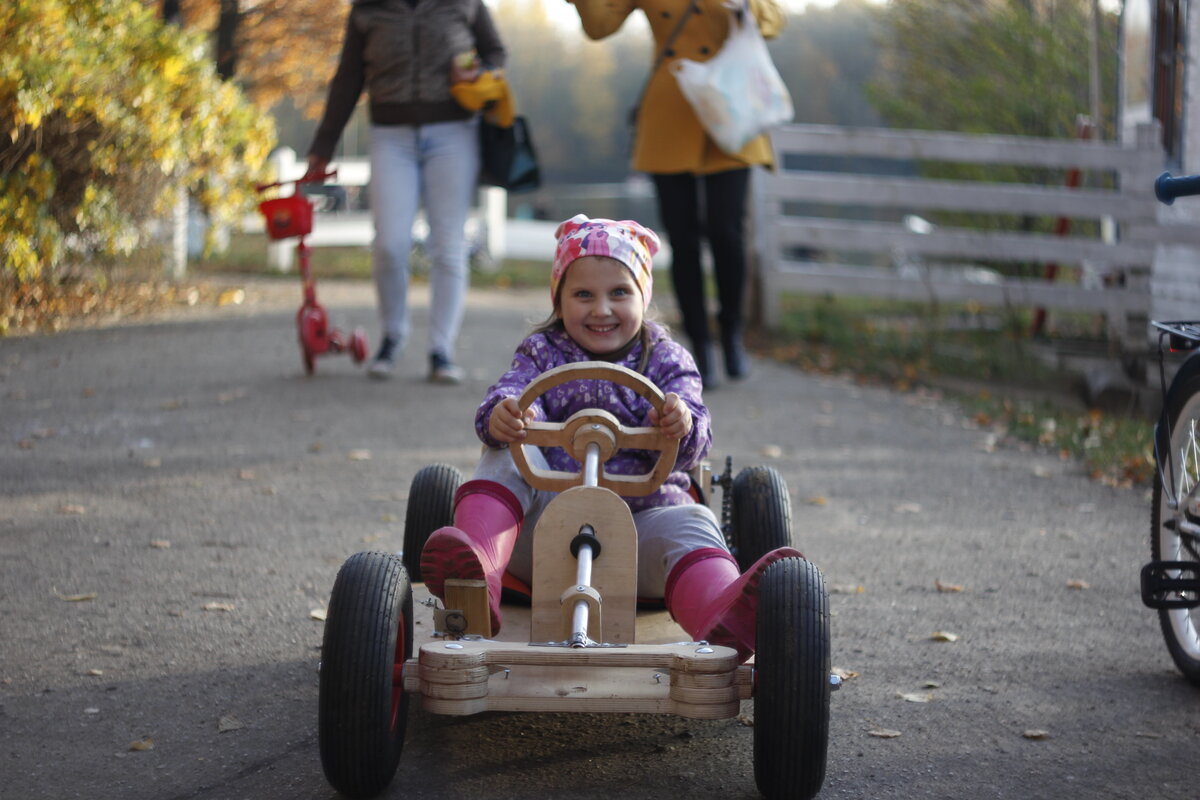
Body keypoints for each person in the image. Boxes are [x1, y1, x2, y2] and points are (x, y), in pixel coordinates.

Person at [418, 214, 802, 662]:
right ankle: (478, 571)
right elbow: (514, 392)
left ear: (643, 296)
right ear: (560, 302)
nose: (601, 309)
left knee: (694, 521)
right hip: (542, 534)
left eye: (619, 292)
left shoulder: (666, 359)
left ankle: (719, 609)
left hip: (641, 532)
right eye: (583, 295)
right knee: (501, 457)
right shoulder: (543, 351)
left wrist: (680, 422)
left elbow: (697, 434)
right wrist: (511, 415)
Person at [567, 0, 786, 388]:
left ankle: (731, 332)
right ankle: (701, 345)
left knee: (726, 231)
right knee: (683, 241)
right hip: (671, 112)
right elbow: (599, 26)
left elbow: (773, 23)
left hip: (730, 108)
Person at [304, 0, 507, 383]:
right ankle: (392, 336)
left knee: (448, 244)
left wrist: (483, 72)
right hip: (390, 134)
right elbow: (348, 78)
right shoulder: (367, 8)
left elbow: (496, 50)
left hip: (454, 132)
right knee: (389, 243)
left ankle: (441, 350)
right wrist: (323, 145)